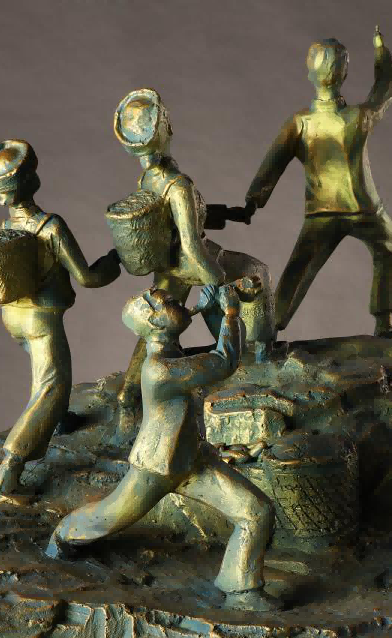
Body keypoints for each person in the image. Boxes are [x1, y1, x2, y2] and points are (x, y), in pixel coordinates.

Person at [46, 285, 281, 612]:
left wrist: (210, 308)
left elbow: (210, 348)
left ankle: (242, 590)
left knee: (255, 510)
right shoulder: (160, 368)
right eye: (166, 303)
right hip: (157, 466)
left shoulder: (172, 353)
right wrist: (229, 313)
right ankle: (63, 535)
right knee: (109, 516)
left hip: (192, 460)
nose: (176, 299)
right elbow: (223, 361)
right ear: (155, 323)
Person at [112, 88, 275, 408]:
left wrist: (227, 213)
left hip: (168, 264)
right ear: (164, 130)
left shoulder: (147, 180)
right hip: (190, 260)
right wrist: (217, 280)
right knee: (257, 271)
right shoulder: (178, 184)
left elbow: (178, 219)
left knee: (151, 331)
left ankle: (129, 391)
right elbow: (191, 243)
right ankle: (257, 355)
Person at [0, 139, 120, 504]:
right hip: (41, 321)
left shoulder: (6, 226)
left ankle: (58, 420)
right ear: (30, 180)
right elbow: (88, 278)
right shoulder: (49, 227)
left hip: (12, 317)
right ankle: (7, 478)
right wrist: (115, 259)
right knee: (52, 387)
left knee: (44, 374)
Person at [245, 26, 392, 338]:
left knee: (299, 268)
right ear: (344, 74)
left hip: (323, 213)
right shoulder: (359, 116)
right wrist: (381, 51)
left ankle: (269, 331)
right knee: (388, 250)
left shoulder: (301, 122)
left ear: (309, 74)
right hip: (364, 209)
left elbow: (272, 163)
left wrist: (254, 200)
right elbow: (384, 90)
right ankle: (383, 323)